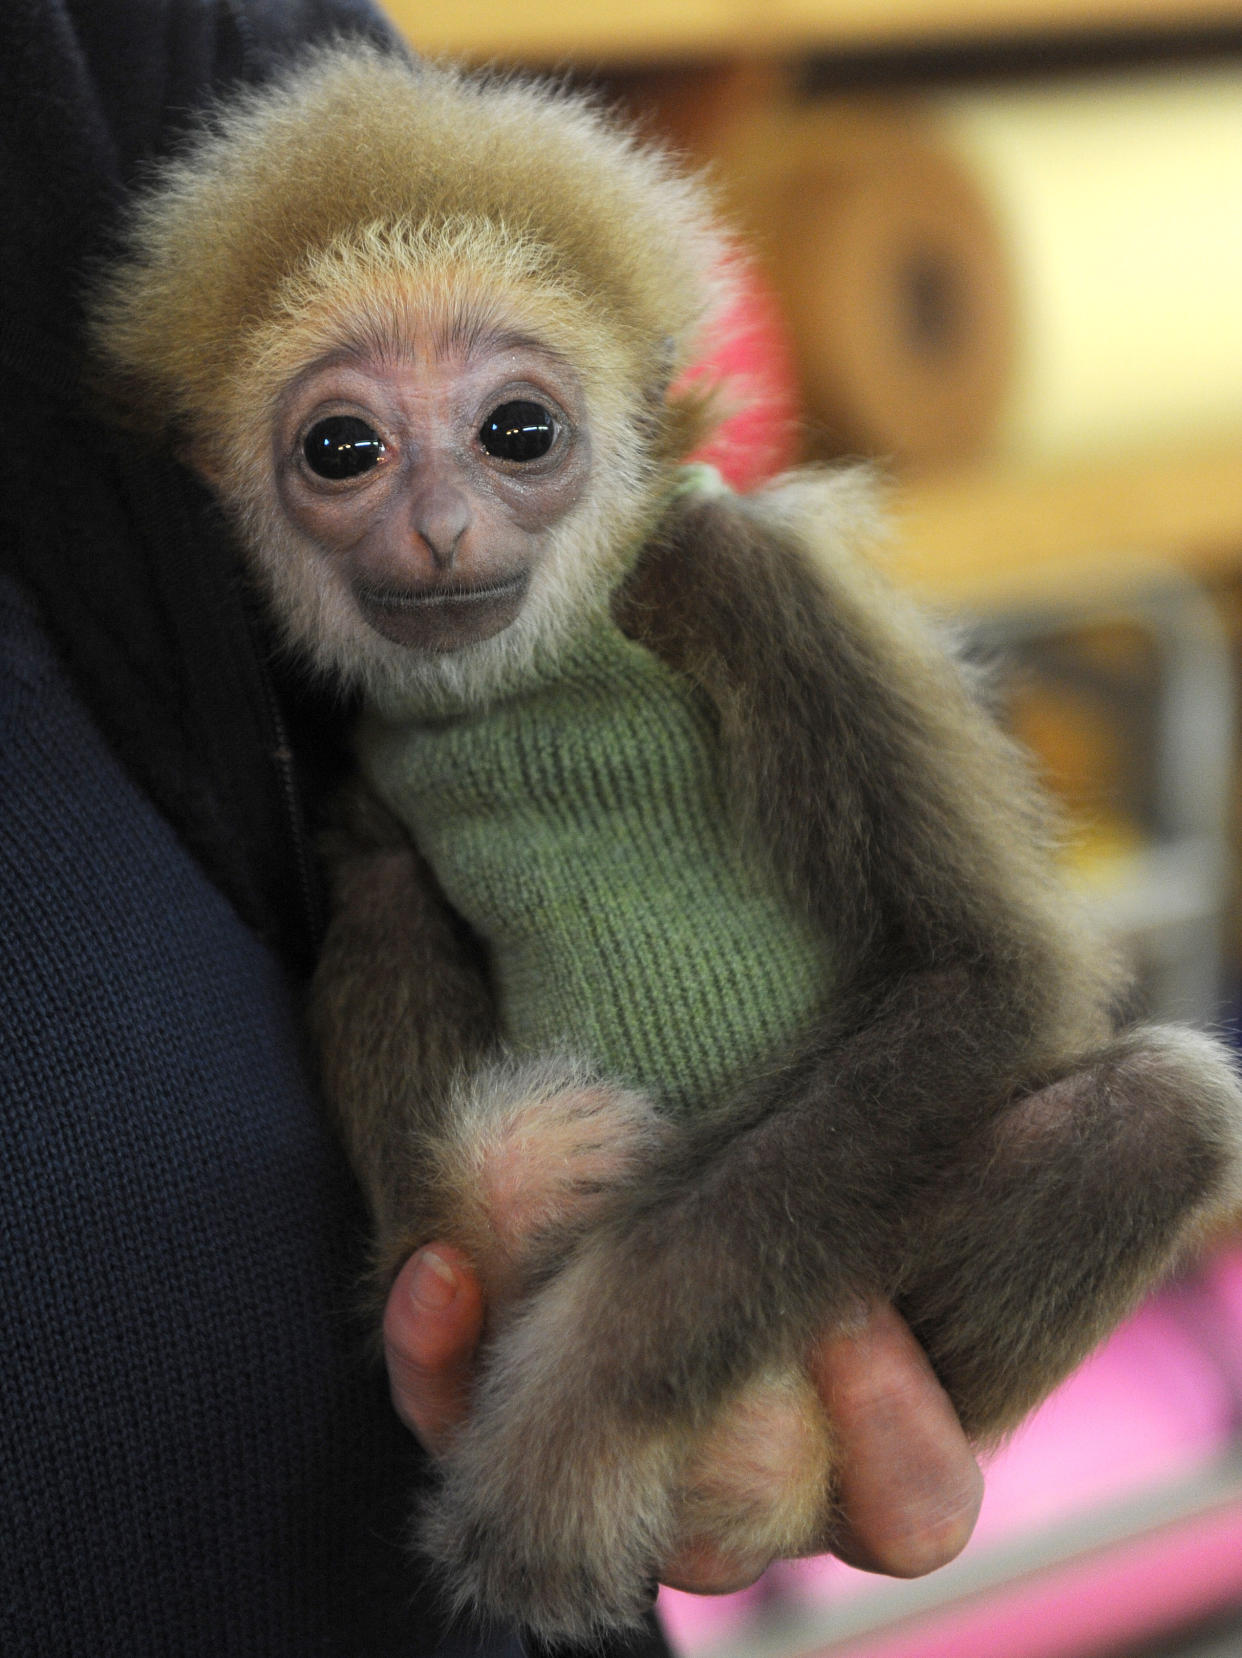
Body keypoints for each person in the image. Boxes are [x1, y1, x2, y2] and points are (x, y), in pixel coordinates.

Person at [0, 2, 981, 1653]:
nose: (442, 523)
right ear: (210, 465)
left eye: (517, 432)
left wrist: (689, 1292)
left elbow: (987, 982)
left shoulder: (733, 582)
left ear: (652, 412)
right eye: (340, 453)